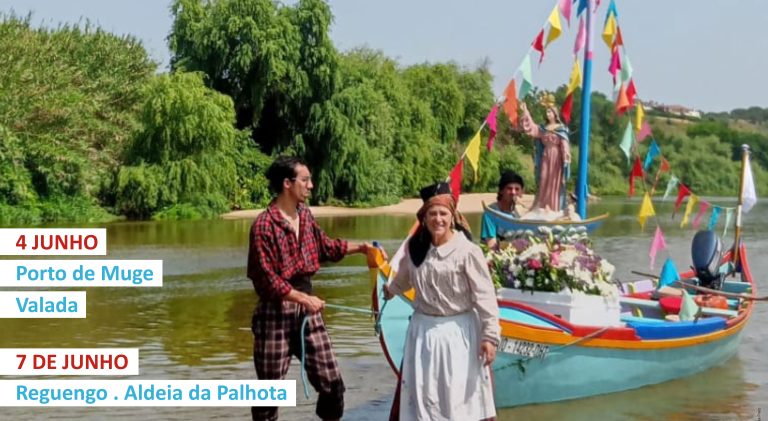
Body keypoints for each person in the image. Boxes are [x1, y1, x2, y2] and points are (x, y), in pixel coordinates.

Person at [247, 156, 376, 421]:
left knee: (333, 387)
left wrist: (362, 248)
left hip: (308, 310)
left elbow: (326, 247)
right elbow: (266, 279)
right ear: (287, 183)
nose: (311, 185)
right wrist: (302, 299)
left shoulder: (305, 215)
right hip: (275, 314)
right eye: (305, 180)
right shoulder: (263, 226)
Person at [384, 182, 500, 421]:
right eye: (432, 214)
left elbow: (485, 296)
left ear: (452, 217)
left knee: (456, 399)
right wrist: (390, 290)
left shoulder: (467, 251)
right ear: (424, 218)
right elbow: (404, 279)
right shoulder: (415, 250)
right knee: (423, 396)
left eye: (443, 214)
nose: (438, 219)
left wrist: (490, 337)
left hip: (458, 334)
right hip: (422, 333)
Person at [520, 94, 571, 213]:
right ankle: (542, 205)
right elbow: (532, 128)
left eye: (549, 112)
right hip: (546, 156)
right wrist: (526, 112)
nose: (548, 114)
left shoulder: (561, 128)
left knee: (554, 181)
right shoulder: (543, 128)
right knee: (544, 177)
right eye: (546, 112)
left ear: (555, 113)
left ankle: (553, 207)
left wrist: (566, 155)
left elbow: (564, 143)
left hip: (557, 157)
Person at [481, 170, 526, 249]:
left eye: (517, 189)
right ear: (501, 191)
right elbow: (491, 245)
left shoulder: (523, 213)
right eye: (509, 189)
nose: (513, 192)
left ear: (521, 192)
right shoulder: (491, 213)